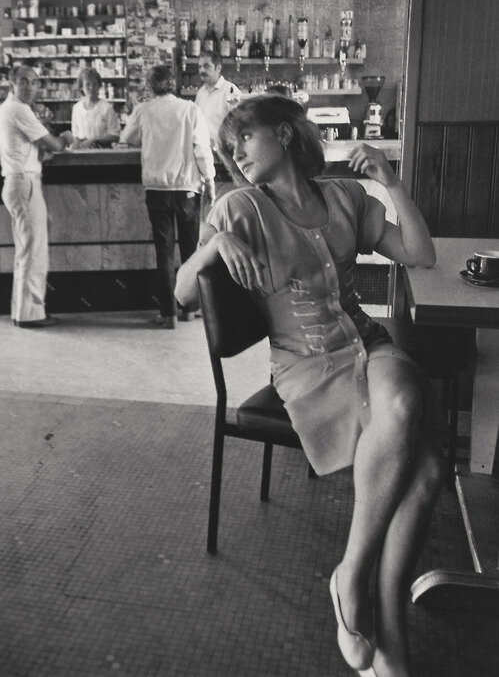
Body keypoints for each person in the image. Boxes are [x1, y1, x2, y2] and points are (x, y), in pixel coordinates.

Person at [175, 95, 445, 677]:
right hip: (307, 365)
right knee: (425, 472)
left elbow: (419, 253)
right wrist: (215, 245)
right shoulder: (239, 208)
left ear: (284, 133)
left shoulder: (344, 197)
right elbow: (182, 292)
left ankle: (351, 575)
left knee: (403, 398)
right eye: (229, 146)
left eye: (245, 137)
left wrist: (391, 182)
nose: (235, 152)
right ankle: (390, 634)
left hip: (367, 343)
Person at [121, 65, 215, 329]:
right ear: (173, 84)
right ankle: (189, 309)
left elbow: (127, 137)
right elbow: (202, 149)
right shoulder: (190, 109)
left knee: (163, 253)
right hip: (187, 189)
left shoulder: (143, 110)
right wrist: (210, 180)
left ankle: (168, 314)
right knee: (189, 252)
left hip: (157, 190)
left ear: (150, 85)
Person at [0, 65, 74, 327]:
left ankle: (22, 312)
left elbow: (30, 147)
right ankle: (31, 315)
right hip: (25, 184)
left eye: (34, 82)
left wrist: (40, 153)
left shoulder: (8, 108)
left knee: (26, 250)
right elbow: (54, 144)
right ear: (12, 83)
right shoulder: (19, 109)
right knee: (34, 252)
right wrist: (66, 137)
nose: (30, 87)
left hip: (16, 182)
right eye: (23, 81)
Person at [195, 50, 241, 155]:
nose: (202, 70)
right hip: (204, 151)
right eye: (200, 67)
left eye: (206, 66)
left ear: (218, 68)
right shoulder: (201, 92)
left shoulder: (230, 90)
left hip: (224, 152)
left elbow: (240, 122)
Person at [71, 68, 121, 148]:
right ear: (81, 87)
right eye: (87, 84)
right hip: (82, 151)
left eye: (94, 84)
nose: (91, 87)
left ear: (99, 86)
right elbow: (75, 136)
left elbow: (115, 136)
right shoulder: (77, 108)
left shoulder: (106, 108)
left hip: (102, 151)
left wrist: (95, 139)